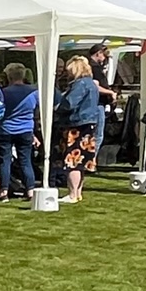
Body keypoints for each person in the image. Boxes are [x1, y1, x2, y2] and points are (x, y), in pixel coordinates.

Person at [53, 55, 102, 203]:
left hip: (76, 126)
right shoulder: (92, 84)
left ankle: (72, 194)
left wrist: (57, 107)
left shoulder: (80, 84)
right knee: (81, 162)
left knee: (72, 161)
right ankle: (78, 193)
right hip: (88, 125)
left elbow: (69, 104)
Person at [0, 62, 39, 201]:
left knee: (4, 161)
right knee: (25, 161)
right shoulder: (33, 92)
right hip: (26, 129)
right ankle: (30, 189)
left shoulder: (4, 92)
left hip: (5, 129)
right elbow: (36, 110)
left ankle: (4, 191)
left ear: (9, 75)